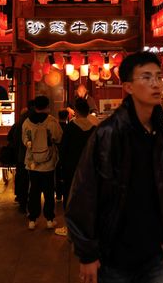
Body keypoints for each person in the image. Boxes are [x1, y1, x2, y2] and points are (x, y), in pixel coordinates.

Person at [66, 51, 163, 283]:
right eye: (146, 77)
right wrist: (87, 253)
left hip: (154, 253)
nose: (155, 84)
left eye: (158, 77)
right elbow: (84, 194)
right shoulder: (108, 134)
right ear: (128, 87)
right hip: (114, 255)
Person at [54, 98, 96, 237]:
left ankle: (70, 228)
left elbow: (63, 149)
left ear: (76, 111)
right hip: (90, 168)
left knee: (70, 196)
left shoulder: (71, 127)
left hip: (72, 168)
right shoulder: (94, 128)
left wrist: (62, 165)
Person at [22, 95, 63, 230]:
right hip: (48, 163)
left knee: (33, 190)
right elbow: (58, 138)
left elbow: (24, 140)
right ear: (47, 106)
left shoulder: (27, 122)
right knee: (49, 191)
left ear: (35, 106)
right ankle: (49, 219)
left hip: (33, 163)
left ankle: (32, 219)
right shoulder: (52, 121)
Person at [8, 99, 34, 214]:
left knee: (22, 179)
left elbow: (10, 137)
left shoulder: (19, 122)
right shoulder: (35, 120)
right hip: (33, 156)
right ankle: (33, 204)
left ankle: (22, 203)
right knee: (33, 180)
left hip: (20, 155)